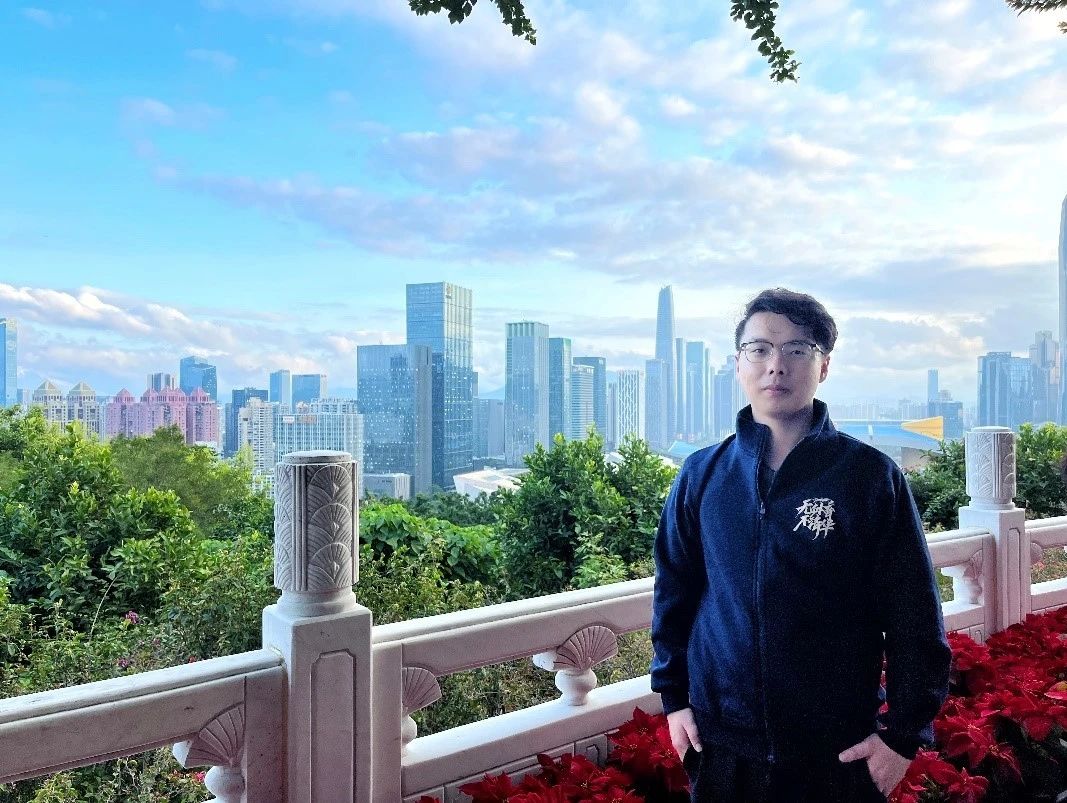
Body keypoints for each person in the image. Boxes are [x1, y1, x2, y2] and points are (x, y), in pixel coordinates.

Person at [650, 288, 950, 802]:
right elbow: (675, 592)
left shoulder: (868, 476)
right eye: (759, 349)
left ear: (824, 365)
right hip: (723, 748)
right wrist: (674, 700)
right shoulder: (702, 475)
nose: (776, 366)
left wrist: (902, 737)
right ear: (738, 364)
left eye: (796, 349)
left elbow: (913, 612)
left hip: (837, 751)